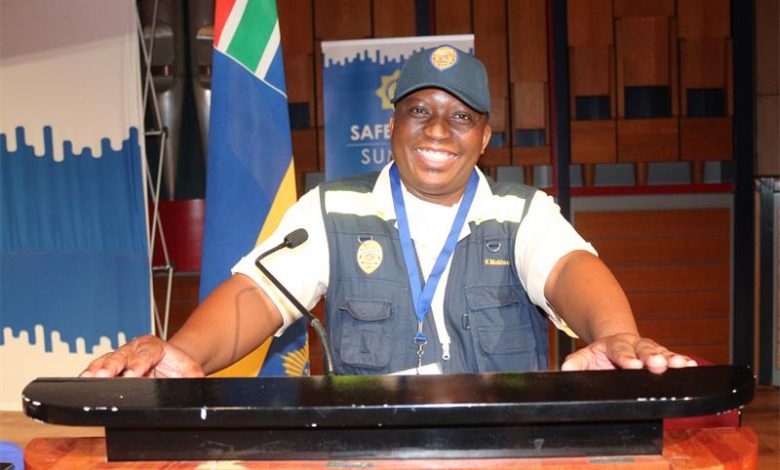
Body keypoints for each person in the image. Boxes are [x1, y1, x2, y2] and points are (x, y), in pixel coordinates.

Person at [81, 45, 696, 379]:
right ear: (393, 124)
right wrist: (184, 352)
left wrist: (615, 335)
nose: (438, 130)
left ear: (484, 138)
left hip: (503, 451)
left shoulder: (522, 212)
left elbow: (570, 270)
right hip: (370, 452)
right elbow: (256, 295)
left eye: (461, 116)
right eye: (419, 111)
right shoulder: (331, 209)